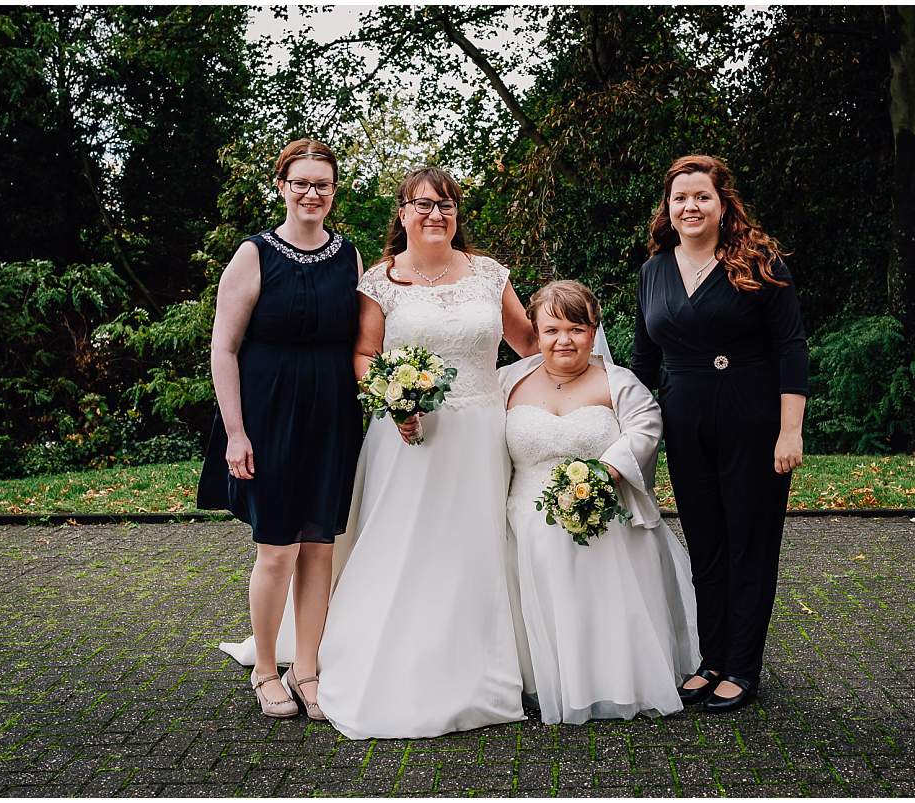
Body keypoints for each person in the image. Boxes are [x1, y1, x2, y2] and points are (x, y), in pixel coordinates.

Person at [314, 166, 539, 739]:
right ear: (402, 212)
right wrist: (393, 399)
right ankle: (393, 653)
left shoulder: (489, 275)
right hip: (408, 435)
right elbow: (364, 355)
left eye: (446, 205)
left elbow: (532, 344)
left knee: (477, 543)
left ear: (457, 213)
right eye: (423, 204)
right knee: (406, 543)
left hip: (482, 432)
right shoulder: (380, 280)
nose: (435, 214)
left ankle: (486, 668)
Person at [630, 155, 808, 713]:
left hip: (752, 420)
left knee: (748, 545)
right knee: (705, 543)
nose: (690, 207)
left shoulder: (758, 262)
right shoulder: (653, 270)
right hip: (684, 421)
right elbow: (642, 359)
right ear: (668, 207)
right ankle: (711, 659)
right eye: (679, 198)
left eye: (701, 196)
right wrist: (620, 426)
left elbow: (791, 348)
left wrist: (790, 431)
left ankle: (743, 667)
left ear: (722, 202)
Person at [197, 139, 364, 719]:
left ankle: (308, 668)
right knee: (277, 550)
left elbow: (361, 341)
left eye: (323, 184)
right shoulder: (253, 254)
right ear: (282, 187)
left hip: (333, 415)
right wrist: (236, 432)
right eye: (301, 183)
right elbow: (223, 348)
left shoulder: (350, 255)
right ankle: (266, 670)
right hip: (268, 415)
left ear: (334, 191)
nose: (312, 193)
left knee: (321, 547)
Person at [499, 281, 700, 725]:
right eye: (551, 330)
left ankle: (611, 678)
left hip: (603, 514)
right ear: (535, 330)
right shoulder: (509, 381)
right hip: (525, 521)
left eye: (576, 328)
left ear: (594, 331)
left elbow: (645, 428)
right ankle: (542, 680)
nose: (564, 340)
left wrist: (600, 475)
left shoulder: (618, 382)